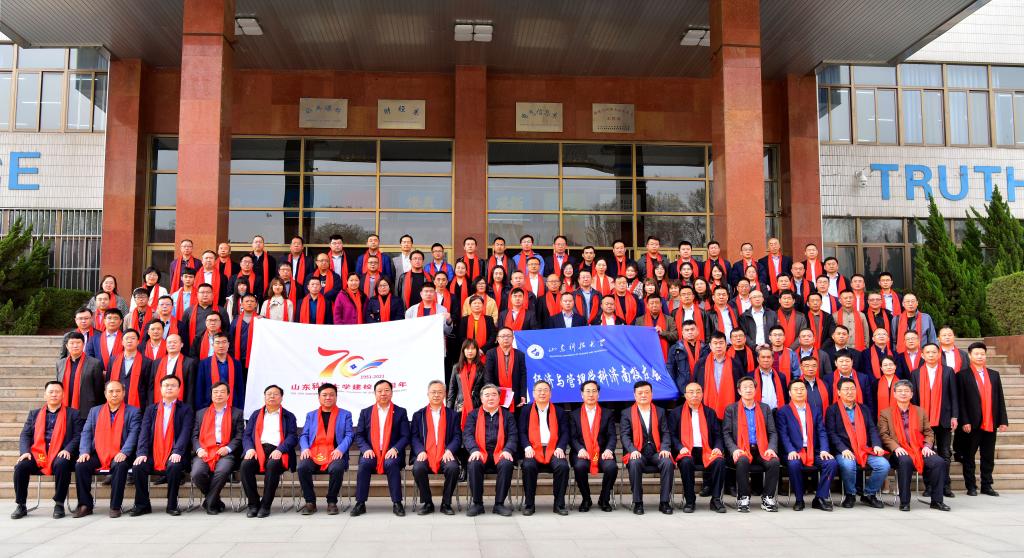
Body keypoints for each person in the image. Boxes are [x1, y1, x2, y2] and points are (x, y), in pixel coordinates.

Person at [11, 381, 81, 520]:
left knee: (62, 463)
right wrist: (25, 452)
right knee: (21, 466)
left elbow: (78, 436)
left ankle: (59, 503)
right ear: (45, 395)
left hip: (60, 453)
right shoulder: (34, 414)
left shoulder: (73, 414)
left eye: (57, 392)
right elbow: (25, 434)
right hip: (38, 454)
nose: (54, 394)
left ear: (63, 395)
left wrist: (68, 449)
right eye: (51, 392)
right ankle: (21, 504)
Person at [877, 380, 950, 511]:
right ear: (894, 394)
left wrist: (927, 446)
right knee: (905, 461)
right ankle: (905, 502)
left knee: (938, 462)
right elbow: (884, 435)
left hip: (919, 448)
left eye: (906, 391)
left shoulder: (920, 411)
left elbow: (928, 432)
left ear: (911, 394)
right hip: (898, 451)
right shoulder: (886, 413)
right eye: (900, 391)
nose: (903, 393)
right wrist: (896, 447)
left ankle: (937, 501)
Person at [73, 380, 141, 518]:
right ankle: (85, 505)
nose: (114, 394)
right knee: (81, 465)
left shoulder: (133, 412)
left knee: (120, 465)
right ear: (105, 394)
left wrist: (124, 452)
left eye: (118, 391)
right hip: (99, 452)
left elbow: (134, 434)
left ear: (124, 393)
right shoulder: (95, 411)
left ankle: (115, 506)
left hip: (121, 453)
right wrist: (84, 451)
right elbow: (86, 432)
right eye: (111, 391)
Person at [131, 375, 194, 516]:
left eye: (173, 385)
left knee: (174, 466)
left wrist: (177, 451)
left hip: (175, 453)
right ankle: (142, 504)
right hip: (154, 453)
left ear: (179, 389)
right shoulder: (151, 409)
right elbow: (144, 433)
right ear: (160, 389)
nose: (169, 388)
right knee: (138, 466)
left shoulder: (186, 409)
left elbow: (185, 433)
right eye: (166, 385)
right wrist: (141, 453)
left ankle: (172, 505)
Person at [826, 377, 890, 508]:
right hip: (844, 450)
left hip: (864, 449)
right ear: (839, 392)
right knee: (848, 465)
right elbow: (831, 433)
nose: (849, 392)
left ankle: (869, 494)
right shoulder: (832, 410)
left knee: (883, 465)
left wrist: (876, 445)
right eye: (846, 389)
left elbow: (872, 429)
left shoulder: (864, 408)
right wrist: (843, 449)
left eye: (852, 389)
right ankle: (850, 494)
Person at [352, 380, 410, 517]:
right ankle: (360, 503)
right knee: (364, 464)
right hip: (371, 452)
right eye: (379, 391)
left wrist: (395, 449)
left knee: (392, 463)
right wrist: (366, 449)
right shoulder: (366, 412)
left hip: (392, 452)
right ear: (375, 393)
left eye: (386, 390)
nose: (383, 393)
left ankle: (397, 503)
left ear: (391, 393)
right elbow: (359, 435)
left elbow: (405, 436)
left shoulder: (400, 412)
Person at [722, 376, 780, 512]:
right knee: (742, 460)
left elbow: (772, 432)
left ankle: (768, 498)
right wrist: (734, 449)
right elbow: (726, 433)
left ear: (755, 390)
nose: (748, 390)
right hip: (741, 449)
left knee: (774, 461)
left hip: (761, 449)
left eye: (751, 387)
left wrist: (771, 448)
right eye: (745, 387)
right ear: (739, 391)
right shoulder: (731, 409)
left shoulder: (765, 408)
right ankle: (743, 497)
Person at [776, 381, 836, 511]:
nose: (799, 391)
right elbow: (783, 435)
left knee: (830, 463)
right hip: (794, 451)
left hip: (813, 450)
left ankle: (819, 498)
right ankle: (799, 499)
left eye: (802, 389)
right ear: (790, 393)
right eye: (796, 389)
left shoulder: (815, 410)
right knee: (794, 464)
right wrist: (790, 450)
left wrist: (824, 450)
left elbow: (822, 432)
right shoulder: (783, 411)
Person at [958, 341, 1009, 496]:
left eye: (982, 354)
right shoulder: (962, 375)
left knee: (988, 456)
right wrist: (964, 421)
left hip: (990, 421)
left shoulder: (994, 375)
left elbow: (999, 398)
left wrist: (1003, 420)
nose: (980, 356)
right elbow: (961, 401)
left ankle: (987, 485)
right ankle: (971, 486)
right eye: (976, 354)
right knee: (969, 456)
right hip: (972, 423)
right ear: (970, 355)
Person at [241, 384, 298, 518]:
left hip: (278, 451)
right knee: (245, 466)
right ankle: (253, 504)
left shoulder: (288, 416)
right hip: (257, 450)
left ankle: (265, 505)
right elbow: (247, 435)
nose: (272, 396)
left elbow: (292, 437)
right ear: (264, 397)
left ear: (281, 398)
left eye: (276, 394)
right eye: (269, 394)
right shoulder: (256, 414)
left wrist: (280, 449)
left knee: (272, 465)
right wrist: (249, 448)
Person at [297, 383, 353, 515]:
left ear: (336, 397)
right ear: (319, 397)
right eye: (324, 395)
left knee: (337, 468)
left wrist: (340, 449)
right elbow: (304, 435)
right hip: (313, 453)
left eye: (332, 395)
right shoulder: (311, 415)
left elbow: (349, 435)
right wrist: (305, 448)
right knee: (302, 467)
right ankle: (310, 502)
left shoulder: (345, 414)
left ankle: (332, 501)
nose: (328, 397)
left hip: (335, 453)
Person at [911, 343, 958, 499]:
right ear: (922, 355)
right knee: (926, 453)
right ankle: (929, 486)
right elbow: (914, 399)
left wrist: (954, 416)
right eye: (928, 352)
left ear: (939, 355)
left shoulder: (948, 371)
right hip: (923, 421)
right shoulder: (916, 373)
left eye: (934, 352)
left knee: (945, 453)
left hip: (944, 418)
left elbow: (954, 395)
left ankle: (945, 485)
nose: (931, 355)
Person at [670, 382, 726, 513]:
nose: (695, 395)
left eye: (698, 391)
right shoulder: (676, 413)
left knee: (720, 461)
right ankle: (690, 500)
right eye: (691, 392)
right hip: (686, 451)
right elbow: (672, 435)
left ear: (702, 394)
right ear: (685, 395)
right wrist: (680, 447)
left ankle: (716, 499)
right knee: (686, 462)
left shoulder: (710, 412)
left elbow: (718, 435)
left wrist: (717, 447)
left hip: (707, 450)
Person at [620, 381, 674, 515]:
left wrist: (665, 448)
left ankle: (664, 502)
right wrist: (632, 450)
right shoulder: (626, 413)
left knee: (667, 462)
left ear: (651, 394)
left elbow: (666, 433)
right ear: (635, 395)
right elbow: (625, 436)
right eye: (640, 393)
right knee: (635, 463)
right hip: (637, 452)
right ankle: (638, 502)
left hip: (656, 451)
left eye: (646, 392)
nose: (643, 395)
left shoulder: (660, 411)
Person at [190, 381, 244, 515]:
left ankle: (209, 504)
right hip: (204, 451)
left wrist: (228, 448)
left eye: (222, 392)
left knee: (222, 471)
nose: (218, 395)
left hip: (225, 452)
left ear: (228, 395)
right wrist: (199, 449)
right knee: (197, 473)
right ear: (211, 395)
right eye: (215, 392)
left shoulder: (237, 413)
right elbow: (194, 436)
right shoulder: (201, 413)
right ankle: (215, 500)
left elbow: (239, 436)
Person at [463, 384, 517, 517]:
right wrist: (474, 450)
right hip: (480, 452)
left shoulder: (508, 415)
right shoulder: (473, 415)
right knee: (474, 464)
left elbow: (513, 435)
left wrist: (508, 450)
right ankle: (477, 504)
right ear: (481, 399)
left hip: (501, 452)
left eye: (494, 395)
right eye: (487, 395)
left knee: (507, 464)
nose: (490, 398)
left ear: (499, 398)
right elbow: (467, 435)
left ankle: (499, 504)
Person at [518, 380, 570, 515]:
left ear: (550, 394)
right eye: (539, 390)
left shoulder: (559, 411)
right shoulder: (525, 411)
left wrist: (560, 447)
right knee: (528, 466)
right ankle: (529, 504)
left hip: (553, 448)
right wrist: (527, 446)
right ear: (533, 394)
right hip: (533, 449)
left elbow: (565, 432)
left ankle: (559, 504)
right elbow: (521, 432)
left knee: (562, 466)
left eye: (545, 390)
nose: (542, 393)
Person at [410, 380, 461, 515]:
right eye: (433, 392)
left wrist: (449, 450)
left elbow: (457, 436)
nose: (436, 395)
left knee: (453, 468)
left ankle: (446, 503)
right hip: (425, 453)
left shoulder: (453, 415)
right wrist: (420, 451)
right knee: (418, 468)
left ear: (444, 394)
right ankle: (428, 503)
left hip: (445, 453)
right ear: (428, 394)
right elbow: (414, 437)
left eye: (440, 392)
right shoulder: (418, 415)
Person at [568, 380, 617, 513]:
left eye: (594, 391)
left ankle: (604, 498)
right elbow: (572, 437)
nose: (591, 394)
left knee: (611, 467)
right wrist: (580, 449)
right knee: (580, 466)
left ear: (598, 394)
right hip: (582, 452)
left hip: (600, 452)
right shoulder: (574, 415)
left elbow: (612, 435)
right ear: (582, 394)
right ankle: (586, 499)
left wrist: (609, 450)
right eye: (588, 391)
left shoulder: (607, 413)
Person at [57, 332, 105, 413]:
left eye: (78, 343)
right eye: (72, 343)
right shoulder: (60, 364)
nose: (75, 346)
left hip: (86, 408)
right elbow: (58, 385)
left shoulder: (94, 363)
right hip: (64, 408)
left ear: (83, 345)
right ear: (67, 346)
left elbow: (99, 389)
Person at [195, 333, 244, 409]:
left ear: (228, 344)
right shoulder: (204, 363)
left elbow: (240, 387)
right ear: (212, 345)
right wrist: (200, 408)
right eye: (217, 342)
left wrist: (240, 408)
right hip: (209, 405)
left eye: (224, 342)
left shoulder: (236, 364)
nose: (221, 346)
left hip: (232, 405)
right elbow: (200, 387)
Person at [149, 333, 197, 407]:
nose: (172, 344)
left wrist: (188, 408)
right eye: (169, 342)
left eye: (175, 342)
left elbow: (190, 388)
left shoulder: (189, 363)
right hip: (159, 403)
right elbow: (151, 387)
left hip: (181, 404)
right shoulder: (156, 363)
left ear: (181, 345)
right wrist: (151, 405)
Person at [485, 327, 527, 410]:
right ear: (498, 339)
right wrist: (491, 393)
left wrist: (523, 394)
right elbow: (488, 375)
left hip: (515, 394)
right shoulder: (491, 353)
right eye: (503, 336)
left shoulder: (520, 355)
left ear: (513, 338)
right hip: (496, 394)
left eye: (508, 336)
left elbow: (523, 376)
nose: (506, 338)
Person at [447, 339, 486, 428]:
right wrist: (448, 411)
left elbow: (485, 389)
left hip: (476, 406)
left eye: (473, 348)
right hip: (459, 407)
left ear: (477, 350)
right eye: (467, 348)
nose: (470, 351)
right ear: (463, 350)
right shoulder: (456, 368)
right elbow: (452, 391)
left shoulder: (482, 368)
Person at [111, 328, 152, 409]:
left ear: (138, 342)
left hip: (139, 403)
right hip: (116, 400)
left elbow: (148, 386)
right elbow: (108, 382)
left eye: (133, 338)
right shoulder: (113, 360)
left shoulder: (147, 362)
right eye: (127, 338)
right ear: (122, 342)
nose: (129, 341)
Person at [636, 294, 677, 362]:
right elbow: (637, 338)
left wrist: (663, 332)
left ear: (661, 305)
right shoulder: (639, 320)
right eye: (652, 303)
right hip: (646, 355)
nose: (654, 305)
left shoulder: (670, 319)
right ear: (647, 305)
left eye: (657, 303)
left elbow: (675, 336)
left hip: (666, 355)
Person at [86, 308, 124, 375]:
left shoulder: (125, 338)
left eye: (115, 318)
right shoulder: (94, 339)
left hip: (120, 375)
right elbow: (89, 358)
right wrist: (99, 372)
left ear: (120, 321)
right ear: (104, 321)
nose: (112, 321)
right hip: (99, 375)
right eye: (109, 318)